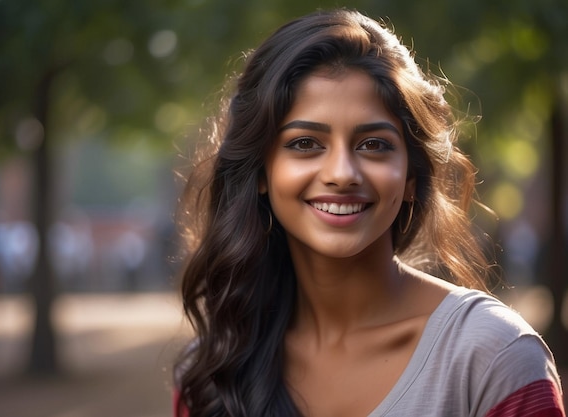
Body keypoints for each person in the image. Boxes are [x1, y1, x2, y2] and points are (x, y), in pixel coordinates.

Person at [173, 8, 565, 417]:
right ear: (261, 171)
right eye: (306, 143)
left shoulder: (492, 357)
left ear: (412, 176)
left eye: (373, 145)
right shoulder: (212, 370)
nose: (342, 174)